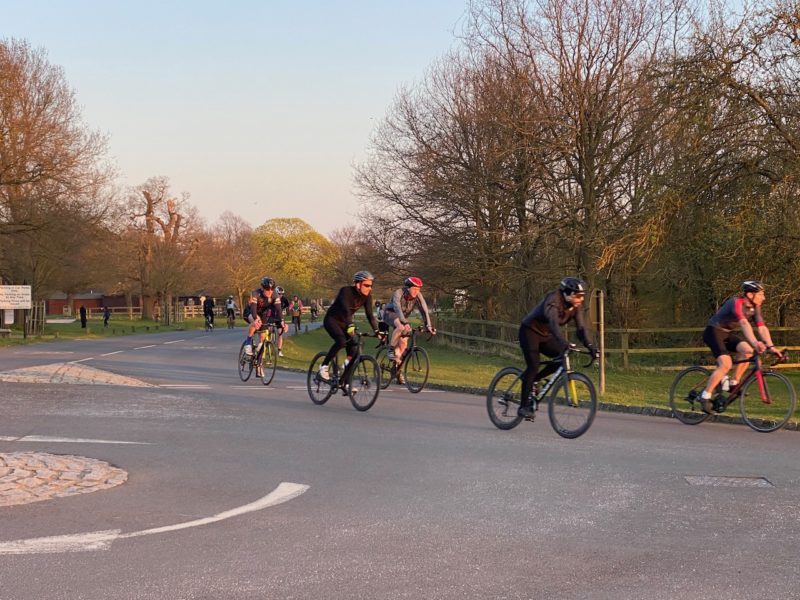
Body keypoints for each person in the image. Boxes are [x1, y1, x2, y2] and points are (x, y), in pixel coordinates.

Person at [517, 277, 598, 419]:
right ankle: (523, 406)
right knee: (533, 365)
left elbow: (581, 329)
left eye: (583, 296)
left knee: (562, 358)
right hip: (529, 331)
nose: (581, 300)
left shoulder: (575, 307)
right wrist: (563, 341)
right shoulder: (553, 300)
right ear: (567, 293)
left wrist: (590, 346)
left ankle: (534, 380)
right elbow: (553, 323)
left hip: (546, 334)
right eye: (578, 296)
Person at [698, 281, 784, 414]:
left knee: (748, 351)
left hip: (727, 334)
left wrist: (771, 346)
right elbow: (744, 323)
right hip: (713, 331)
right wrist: (756, 342)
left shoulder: (755, 308)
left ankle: (733, 383)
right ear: (750, 294)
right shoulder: (736, 303)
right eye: (761, 294)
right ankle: (705, 396)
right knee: (725, 364)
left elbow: (762, 328)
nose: (764, 297)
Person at [318, 271, 384, 393]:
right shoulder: (346, 291)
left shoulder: (367, 297)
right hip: (332, 320)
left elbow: (370, 315)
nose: (369, 288)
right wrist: (350, 325)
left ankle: (344, 382)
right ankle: (324, 366)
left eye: (371, 285)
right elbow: (346, 310)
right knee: (341, 341)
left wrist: (377, 331)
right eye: (366, 285)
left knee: (354, 349)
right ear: (358, 284)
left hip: (345, 323)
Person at [382, 277, 436, 384]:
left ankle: (397, 370)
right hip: (389, 313)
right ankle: (390, 350)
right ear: (408, 288)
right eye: (414, 289)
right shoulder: (399, 293)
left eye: (419, 289)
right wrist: (405, 323)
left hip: (403, 318)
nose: (417, 291)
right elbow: (397, 308)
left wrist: (428, 326)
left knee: (403, 344)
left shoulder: (418, 296)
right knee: (401, 327)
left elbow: (424, 311)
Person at [243, 277, 284, 370]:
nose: (269, 292)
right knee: (255, 321)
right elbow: (253, 309)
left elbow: (278, 309)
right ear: (262, 288)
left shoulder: (275, 295)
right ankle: (248, 343)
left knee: (263, 336)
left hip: (263, 314)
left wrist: (282, 321)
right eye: (267, 290)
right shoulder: (256, 293)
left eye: (271, 289)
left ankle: (258, 355)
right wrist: (255, 319)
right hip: (250, 311)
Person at [274, 286, 290, 357]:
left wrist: (286, 311)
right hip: (270, 316)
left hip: (279, 317)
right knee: (266, 330)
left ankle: (279, 350)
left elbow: (287, 306)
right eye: (279, 294)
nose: (280, 295)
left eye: (282, 294)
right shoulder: (271, 298)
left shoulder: (284, 300)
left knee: (280, 332)